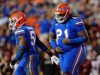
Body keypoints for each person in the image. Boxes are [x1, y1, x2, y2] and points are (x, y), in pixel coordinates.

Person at [49, 3, 89, 75]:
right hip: (62, 52)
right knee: (70, 72)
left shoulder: (75, 21)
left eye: (61, 15)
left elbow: (85, 38)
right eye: (58, 14)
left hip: (75, 49)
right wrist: (55, 47)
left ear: (67, 13)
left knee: (67, 72)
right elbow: (51, 37)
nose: (58, 17)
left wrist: (70, 41)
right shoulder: (55, 21)